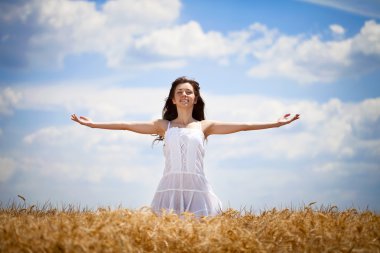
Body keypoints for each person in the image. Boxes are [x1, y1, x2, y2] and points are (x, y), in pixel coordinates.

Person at [71, 76, 300, 217]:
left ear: (195, 98)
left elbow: (244, 126)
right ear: (172, 99)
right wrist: (93, 125)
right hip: (169, 190)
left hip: (198, 190)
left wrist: (277, 123)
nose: (184, 95)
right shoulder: (162, 126)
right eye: (179, 92)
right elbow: (125, 125)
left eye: (188, 92)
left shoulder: (204, 126)